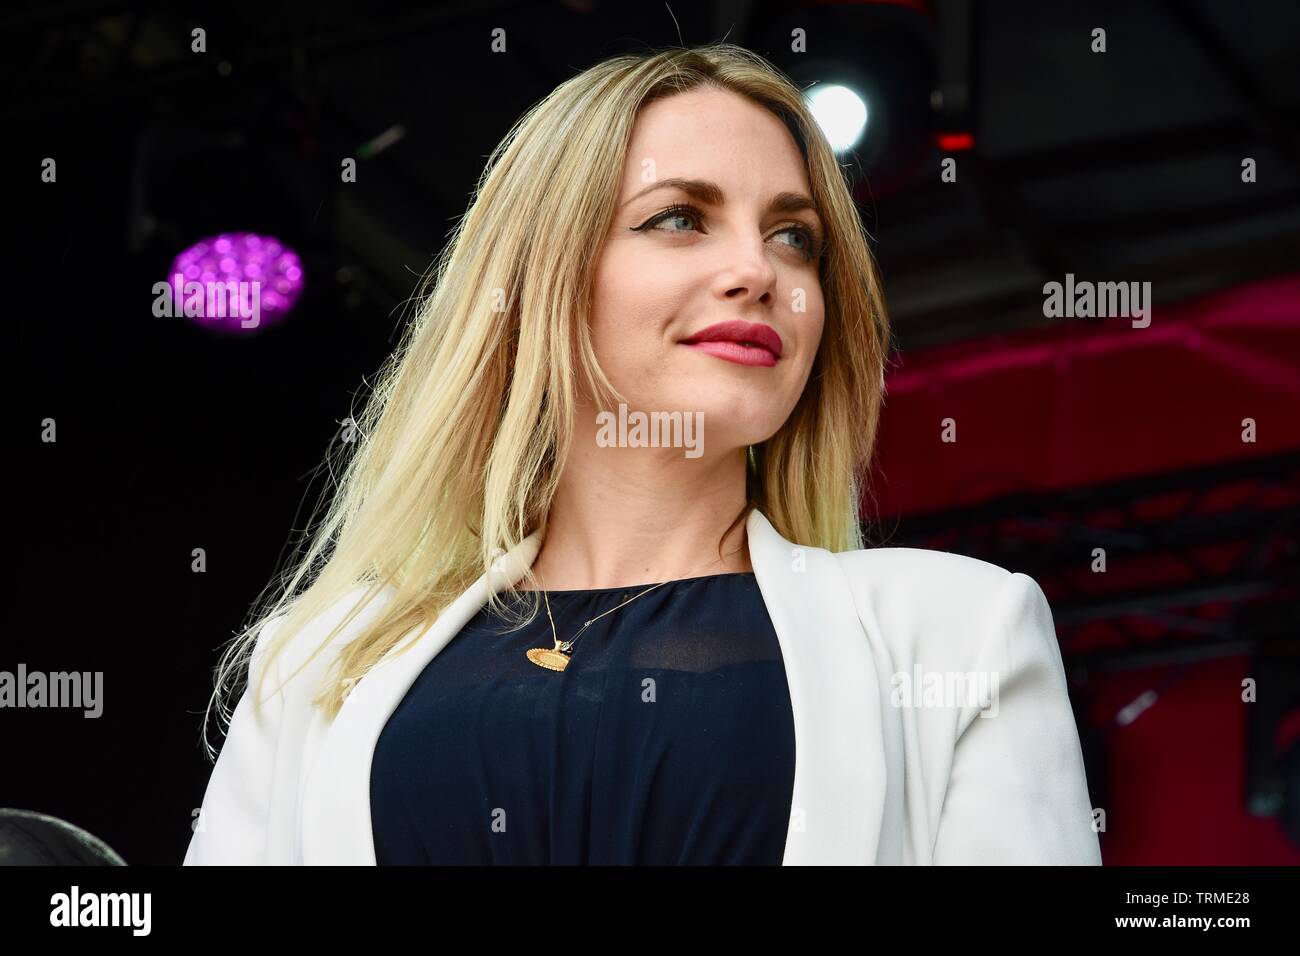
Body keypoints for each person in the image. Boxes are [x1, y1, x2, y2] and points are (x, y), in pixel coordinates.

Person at [183, 43, 1101, 865]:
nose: (759, 270)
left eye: (794, 236)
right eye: (680, 218)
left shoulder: (960, 633)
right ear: (546, 274)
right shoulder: (314, 665)